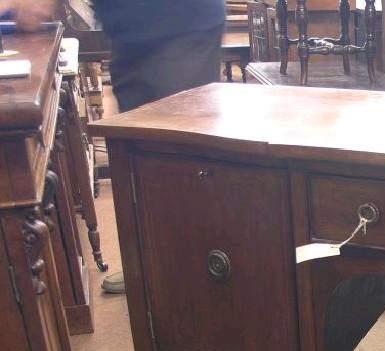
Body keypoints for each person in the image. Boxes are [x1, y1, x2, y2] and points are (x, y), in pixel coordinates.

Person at [0, 0, 225, 294]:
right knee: (136, 159)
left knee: (176, 164)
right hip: (132, 32)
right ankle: (150, 265)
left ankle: (195, 277)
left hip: (177, 26)